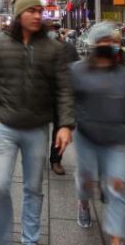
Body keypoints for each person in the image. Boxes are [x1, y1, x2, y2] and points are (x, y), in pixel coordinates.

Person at [0, 0, 75, 245]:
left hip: (37, 128)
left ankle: (30, 239)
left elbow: (64, 87)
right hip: (4, 127)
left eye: (39, 11)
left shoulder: (53, 48)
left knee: (33, 188)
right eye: (30, 11)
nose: (36, 15)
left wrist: (65, 125)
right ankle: (2, 238)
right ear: (19, 15)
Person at [72, 22, 125, 245]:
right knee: (86, 181)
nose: (107, 45)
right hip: (86, 137)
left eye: (111, 41)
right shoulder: (77, 70)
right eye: (102, 41)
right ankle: (84, 203)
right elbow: (68, 101)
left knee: (118, 186)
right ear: (93, 44)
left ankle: (116, 238)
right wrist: (66, 127)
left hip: (116, 139)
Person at [49, 22, 80, 176]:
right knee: (38, 130)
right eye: (50, 30)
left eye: (55, 30)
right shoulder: (38, 48)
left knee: (59, 127)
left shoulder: (69, 49)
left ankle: (56, 160)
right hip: (41, 96)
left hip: (61, 95)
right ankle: (35, 154)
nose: (53, 33)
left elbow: (77, 69)